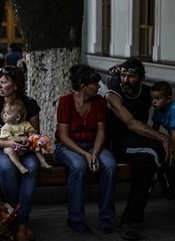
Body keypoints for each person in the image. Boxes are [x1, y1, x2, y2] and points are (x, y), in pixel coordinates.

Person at [105, 58, 175, 240]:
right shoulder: (113, 95)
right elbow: (132, 124)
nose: (125, 80)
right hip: (118, 144)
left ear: (141, 78)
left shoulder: (146, 92)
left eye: (131, 76)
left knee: (147, 168)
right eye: (123, 75)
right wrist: (164, 137)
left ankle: (127, 221)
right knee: (156, 149)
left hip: (140, 144)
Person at [53, 64, 116, 235]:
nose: (98, 87)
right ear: (83, 86)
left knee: (109, 165)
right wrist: (86, 155)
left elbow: (101, 131)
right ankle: (76, 219)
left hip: (93, 145)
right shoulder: (65, 101)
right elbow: (64, 136)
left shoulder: (99, 101)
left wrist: (94, 153)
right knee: (79, 166)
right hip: (67, 147)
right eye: (95, 84)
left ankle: (106, 218)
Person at [0, 66, 40, 241]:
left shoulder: (29, 103)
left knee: (32, 166)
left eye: (4, 82)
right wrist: (10, 142)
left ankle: (21, 223)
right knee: (7, 166)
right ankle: (15, 220)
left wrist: (26, 145)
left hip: (23, 150)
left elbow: (35, 136)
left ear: (15, 85)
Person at [0, 99, 52, 173]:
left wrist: (31, 139)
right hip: (13, 146)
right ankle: (20, 166)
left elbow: (32, 133)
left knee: (36, 144)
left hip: (25, 147)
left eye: (7, 113)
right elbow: (7, 137)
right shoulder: (6, 126)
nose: (4, 115)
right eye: (4, 113)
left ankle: (43, 162)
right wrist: (18, 138)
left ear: (17, 117)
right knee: (9, 150)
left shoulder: (25, 124)